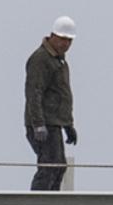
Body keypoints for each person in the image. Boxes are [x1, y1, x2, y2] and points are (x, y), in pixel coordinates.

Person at [24, 16, 78, 191]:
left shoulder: (58, 60)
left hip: (54, 125)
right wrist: (38, 124)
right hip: (43, 125)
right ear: (53, 36)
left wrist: (68, 126)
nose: (66, 44)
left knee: (58, 167)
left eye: (69, 40)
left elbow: (61, 95)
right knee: (49, 167)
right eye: (63, 39)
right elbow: (34, 93)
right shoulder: (41, 59)